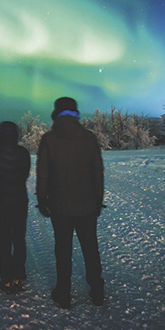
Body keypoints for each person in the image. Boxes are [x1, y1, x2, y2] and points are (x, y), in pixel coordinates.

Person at [36, 97, 105, 308]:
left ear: (56, 114)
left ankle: (63, 293)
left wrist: (42, 199)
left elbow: (43, 173)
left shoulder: (49, 139)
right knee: (90, 248)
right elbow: (98, 172)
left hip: (60, 207)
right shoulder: (89, 137)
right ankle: (97, 290)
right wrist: (98, 200)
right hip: (87, 205)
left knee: (63, 250)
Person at [0, 121, 31, 294]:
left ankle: (6, 278)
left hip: (0, 202)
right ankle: (19, 276)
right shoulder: (23, 153)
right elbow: (25, 174)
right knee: (19, 239)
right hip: (20, 201)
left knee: (4, 241)